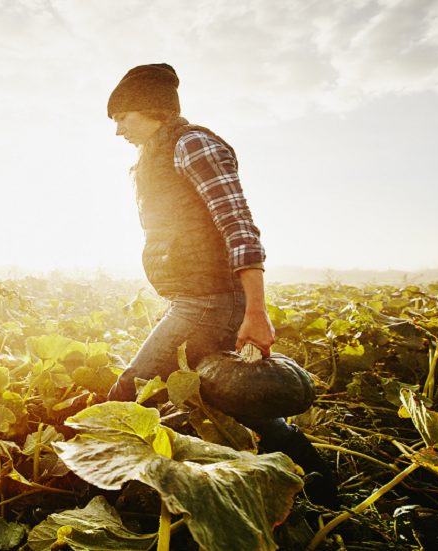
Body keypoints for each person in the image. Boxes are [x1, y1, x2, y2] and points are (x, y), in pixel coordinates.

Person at [103, 64, 339, 507]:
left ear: (151, 110)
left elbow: (239, 226)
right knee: (231, 398)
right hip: (197, 298)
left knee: (131, 394)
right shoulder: (158, 157)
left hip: (209, 302)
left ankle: (105, 491)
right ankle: (318, 484)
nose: (117, 130)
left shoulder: (193, 144)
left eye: (123, 118)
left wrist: (255, 311)